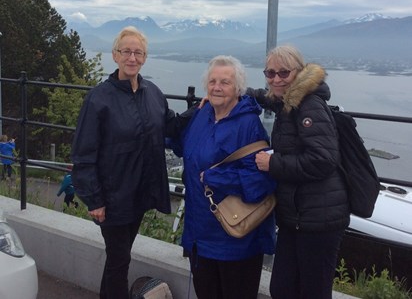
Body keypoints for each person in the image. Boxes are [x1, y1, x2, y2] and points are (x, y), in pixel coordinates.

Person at [71, 26, 192, 299]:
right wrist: (95, 199)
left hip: (139, 193)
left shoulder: (152, 92)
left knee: (119, 257)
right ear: (115, 55)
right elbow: (83, 153)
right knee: (119, 259)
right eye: (126, 51)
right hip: (112, 197)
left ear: (145, 57)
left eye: (138, 52)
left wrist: (204, 108)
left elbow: (170, 124)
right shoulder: (99, 98)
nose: (132, 58)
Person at [248, 45, 350, 299]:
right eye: (270, 73)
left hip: (319, 219)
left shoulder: (309, 106)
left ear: (299, 73)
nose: (276, 79)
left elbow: (323, 160)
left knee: (311, 291)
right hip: (298, 217)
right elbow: (270, 97)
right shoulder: (290, 100)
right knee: (283, 288)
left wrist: (273, 164)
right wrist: (239, 91)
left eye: (283, 73)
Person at [175, 55, 277, 299]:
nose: (217, 87)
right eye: (212, 81)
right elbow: (185, 147)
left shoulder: (249, 124)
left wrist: (215, 177)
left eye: (225, 82)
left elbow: (261, 179)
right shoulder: (202, 114)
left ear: (238, 88)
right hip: (200, 234)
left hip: (235, 239)